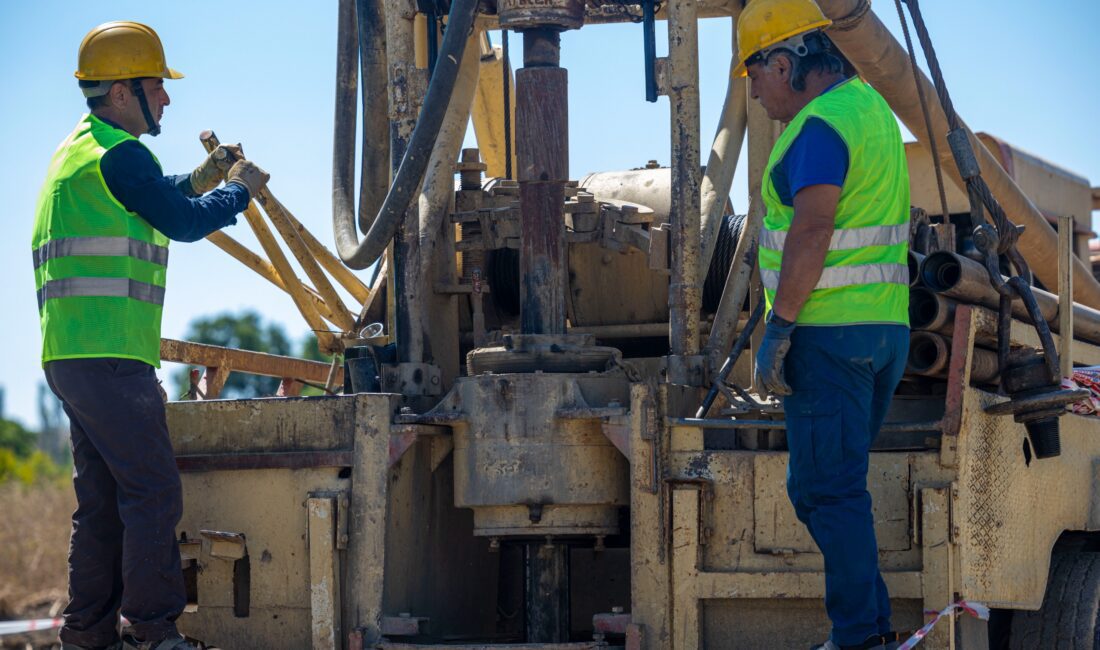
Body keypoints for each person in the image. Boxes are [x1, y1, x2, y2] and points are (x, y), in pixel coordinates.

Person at [32, 21, 269, 650]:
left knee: (104, 503)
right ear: (120, 90)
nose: (166, 99)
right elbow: (183, 223)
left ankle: (87, 635)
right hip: (112, 355)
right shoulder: (123, 153)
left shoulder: (82, 150)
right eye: (156, 87)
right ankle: (154, 633)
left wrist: (205, 174)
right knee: (153, 490)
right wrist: (239, 191)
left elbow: (155, 197)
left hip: (73, 355)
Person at [736, 1, 910, 649]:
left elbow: (813, 229)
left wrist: (779, 328)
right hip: (883, 331)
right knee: (832, 487)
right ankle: (868, 630)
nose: (753, 87)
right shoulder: (871, 111)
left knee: (825, 491)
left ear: (786, 63)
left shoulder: (817, 128)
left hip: (829, 334)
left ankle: (861, 638)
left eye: (756, 71)